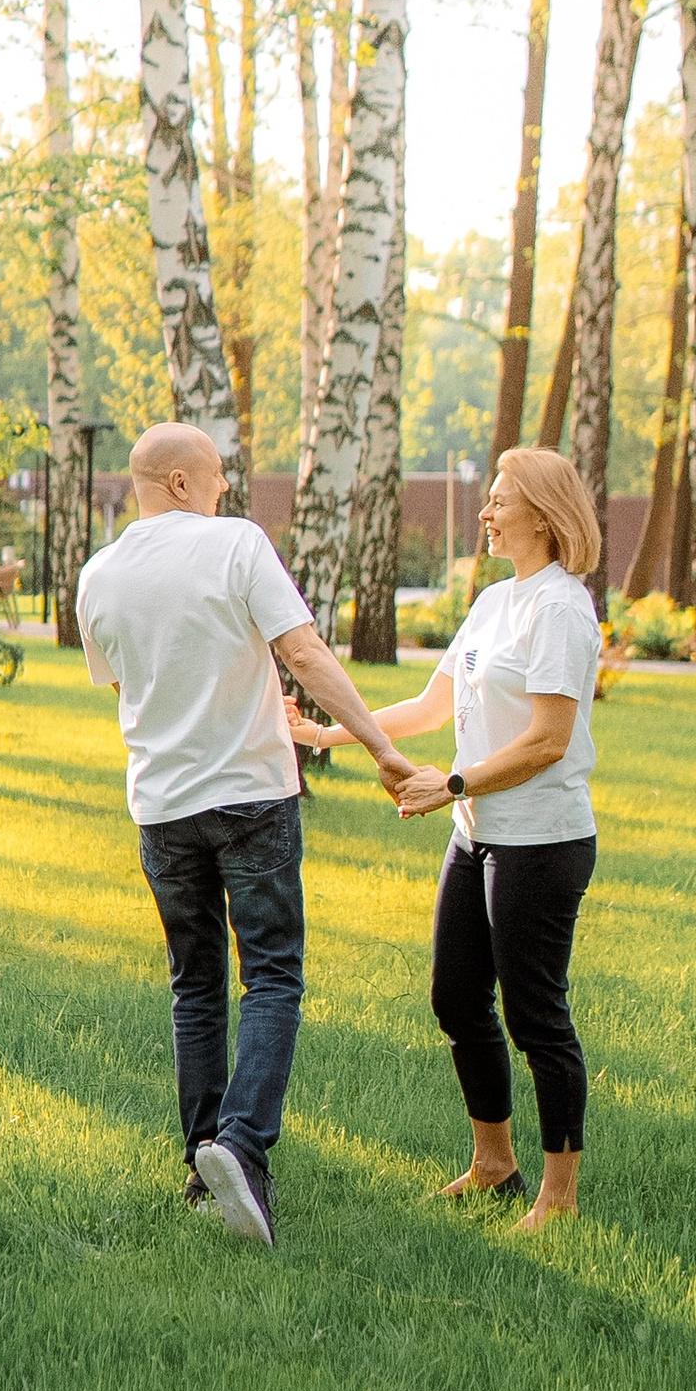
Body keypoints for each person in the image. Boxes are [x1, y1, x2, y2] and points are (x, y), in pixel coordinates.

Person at [77, 421, 409, 1250]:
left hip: (162, 807)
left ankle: (202, 1174)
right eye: (218, 473)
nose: (226, 485)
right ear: (181, 482)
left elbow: (128, 683)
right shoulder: (237, 544)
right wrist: (380, 746)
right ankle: (243, 1148)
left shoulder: (98, 575)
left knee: (195, 988)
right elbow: (304, 651)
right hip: (251, 799)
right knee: (272, 977)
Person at [292, 444, 603, 1232]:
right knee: (457, 998)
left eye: (500, 500)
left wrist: (454, 783)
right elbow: (432, 707)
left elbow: (548, 741)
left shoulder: (560, 609)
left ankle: (559, 1198)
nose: (486, 512)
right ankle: (494, 1166)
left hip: (541, 840)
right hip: (478, 835)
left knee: (536, 1015)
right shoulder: (496, 602)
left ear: (544, 514)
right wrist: (326, 735)